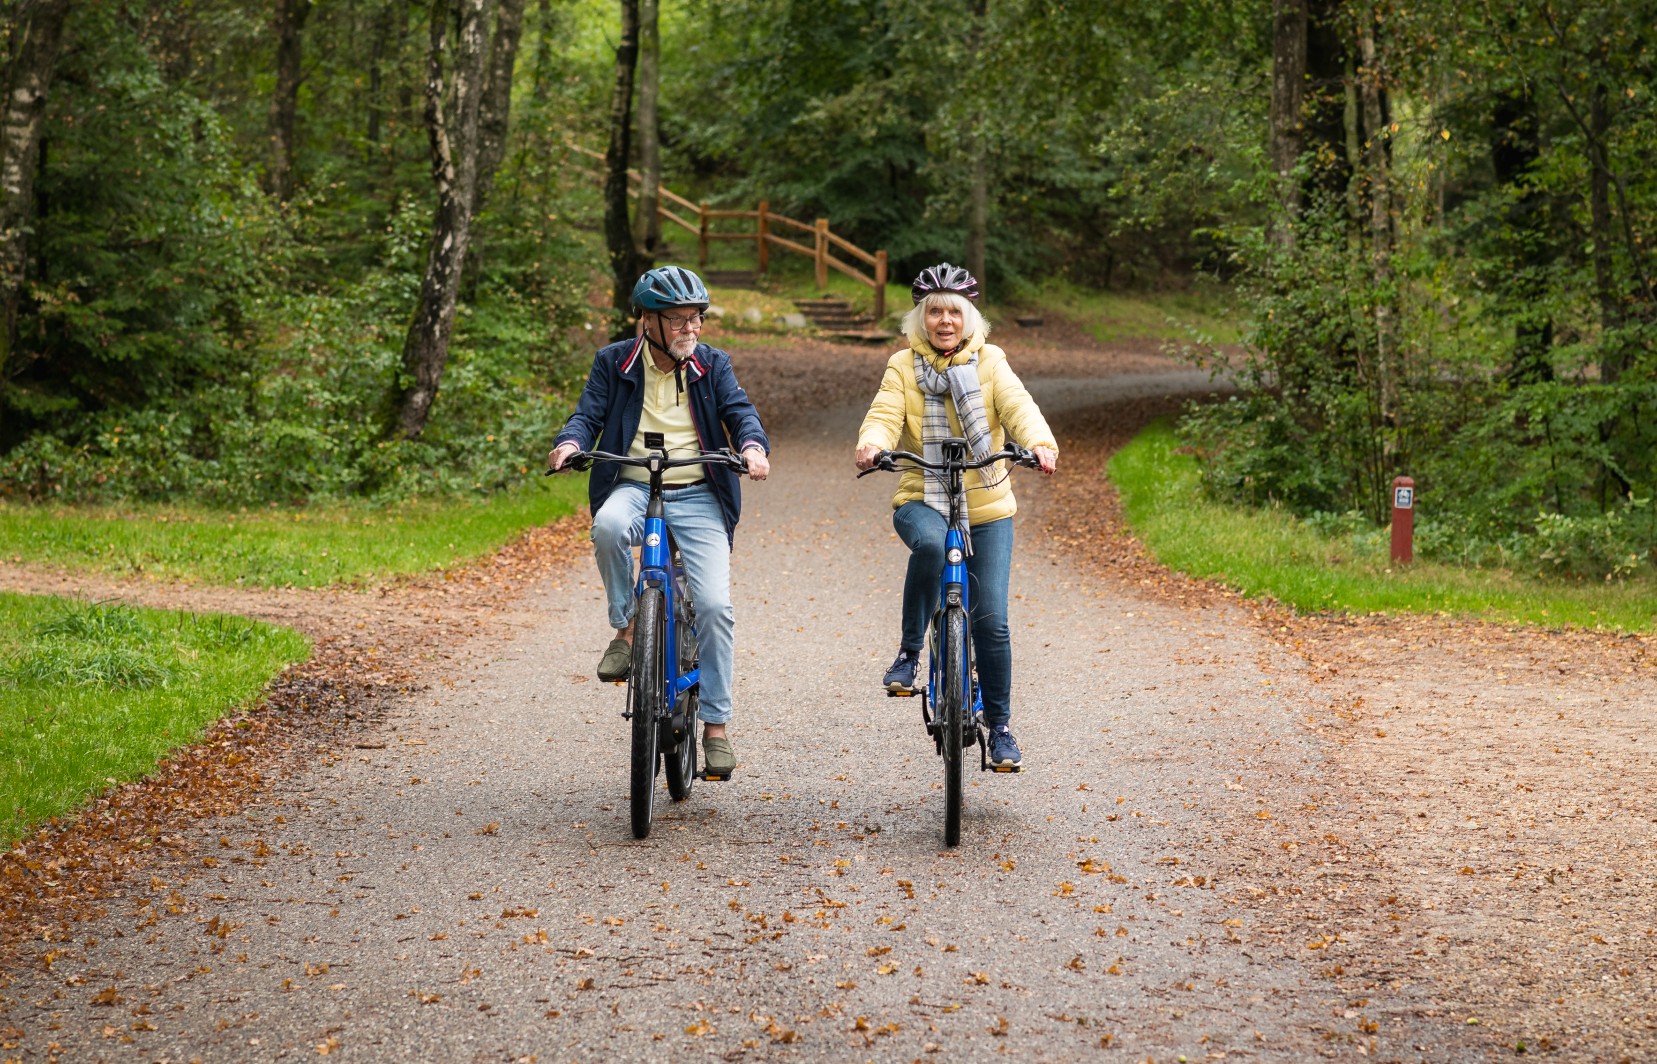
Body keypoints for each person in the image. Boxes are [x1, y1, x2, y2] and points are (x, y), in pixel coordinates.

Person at [549, 265, 771, 779]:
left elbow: (740, 413)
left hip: (698, 493)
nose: (690, 330)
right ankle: (626, 628)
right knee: (606, 529)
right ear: (646, 321)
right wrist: (571, 443)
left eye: (696, 319)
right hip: (632, 484)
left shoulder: (712, 365)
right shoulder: (614, 362)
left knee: (714, 606)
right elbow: (588, 413)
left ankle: (715, 728)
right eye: (677, 320)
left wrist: (753, 447)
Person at [854, 263, 1057, 771]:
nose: (944, 320)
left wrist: (1037, 443)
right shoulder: (903, 365)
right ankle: (908, 654)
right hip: (921, 498)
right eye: (935, 311)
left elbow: (1017, 405)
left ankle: (1002, 727)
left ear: (970, 319)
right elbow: (885, 411)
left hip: (987, 507)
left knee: (991, 619)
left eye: (954, 312)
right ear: (921, 319)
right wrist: (873, 442)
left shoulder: (991, 361)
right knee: (928, 545)